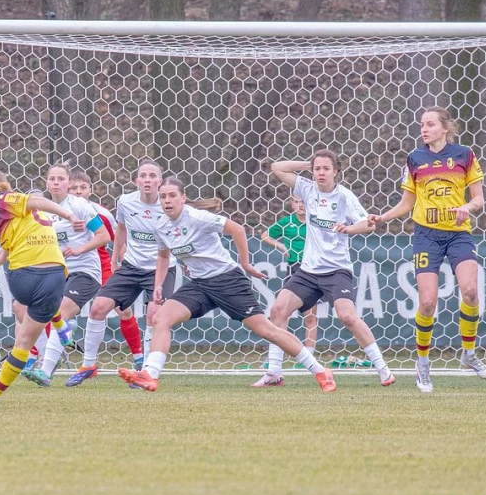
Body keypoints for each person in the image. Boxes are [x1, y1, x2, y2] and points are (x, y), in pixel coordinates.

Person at [117, 178, 336, 394]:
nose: (167, 200)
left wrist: (245, 264)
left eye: (172, 195)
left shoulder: (198, 217)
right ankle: (150, 374)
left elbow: (237, 229)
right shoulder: (160, 226)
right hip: (200, 285)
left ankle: (320, 371)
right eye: (163, 196)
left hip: (227, 280)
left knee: (266, 330)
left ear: (183, 198)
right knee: (160, 318)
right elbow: (164, 256)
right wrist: (158, 284)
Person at [369, 107, 486, 393]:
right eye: (422, 124)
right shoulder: (415, 158)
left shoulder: (464, 155)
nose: (424, 129)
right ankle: (422, 364)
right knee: (427, 302)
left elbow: (479, 199)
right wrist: (383, 217)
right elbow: (407, 202)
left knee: (470, 291)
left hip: (458, 233)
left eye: (430, 124)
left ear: (445, 128)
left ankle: (469, 353)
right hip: (426, 235)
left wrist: (467, 207)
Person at [255, 151, 395, 388]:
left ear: (336, 171)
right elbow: (277, 167)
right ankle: (274, 373)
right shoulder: (307, 189)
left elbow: (367, 225)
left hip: (336, 270)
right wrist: (307, 164)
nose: (321, 173)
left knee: (347, 316)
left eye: (326, 168)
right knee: (278, 310)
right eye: (317, 168)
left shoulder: (344, 196)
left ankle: (383, 369)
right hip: (308, 271)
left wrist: (349, 229)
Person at [0, 168, 81, 409]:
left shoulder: (3, 200)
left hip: (25, 277)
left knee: (21, 315)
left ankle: (60, 327)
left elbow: (36, 200)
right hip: (55, 278)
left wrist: (68, 215)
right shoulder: (20, 219)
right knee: (26, 339)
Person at [26, 164, 111, 385]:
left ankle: (45, 371)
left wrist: (80, 249)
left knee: (61, 313)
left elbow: (103, 236)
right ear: (46, 183)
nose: (56, 182)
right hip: (58, 271)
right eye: (52, 179)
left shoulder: (80, 206)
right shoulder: (44, 211)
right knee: (23, 307)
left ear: (68, 183)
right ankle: (53, 345)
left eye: (61, 179)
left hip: (85, 270)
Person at [65, 168, 148, 384]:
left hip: (101, 265)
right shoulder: (59, 212)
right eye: (74, 188)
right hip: (70, 266)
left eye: (83, 187)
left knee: (124, 310)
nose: (79, 191)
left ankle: (138, 358)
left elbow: (115, 239)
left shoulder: (102, 214)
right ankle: (40, 357)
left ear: (90, 190)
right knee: (55, 308)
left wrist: (122, 260)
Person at [259, 194, 319, 360]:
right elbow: (265, 235)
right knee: (281, 313)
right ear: (292, 204)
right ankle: (275, 357)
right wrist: (281, 246)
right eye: (296, 201)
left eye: (303, 202)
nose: (300, 205)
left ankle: (309, 356)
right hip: (295, 268)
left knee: (310, 316)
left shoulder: (316, 221)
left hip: (313, 268)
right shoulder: (287, 222)